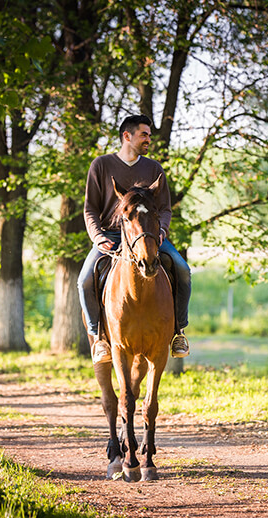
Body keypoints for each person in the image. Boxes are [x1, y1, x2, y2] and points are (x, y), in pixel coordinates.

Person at [78, 114, 191, 363]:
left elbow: (165, 209)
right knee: (85, 280)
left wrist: (161, 231)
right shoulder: (101, 165)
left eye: (149, 135)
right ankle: (99, 338)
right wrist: (97, 237)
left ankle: (179, 332)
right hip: (110, 234)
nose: (148, 139)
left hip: (149, 236)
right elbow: (90, 209)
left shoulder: (154, 169)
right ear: (127, 136)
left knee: (182, 269)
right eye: (144, 134)